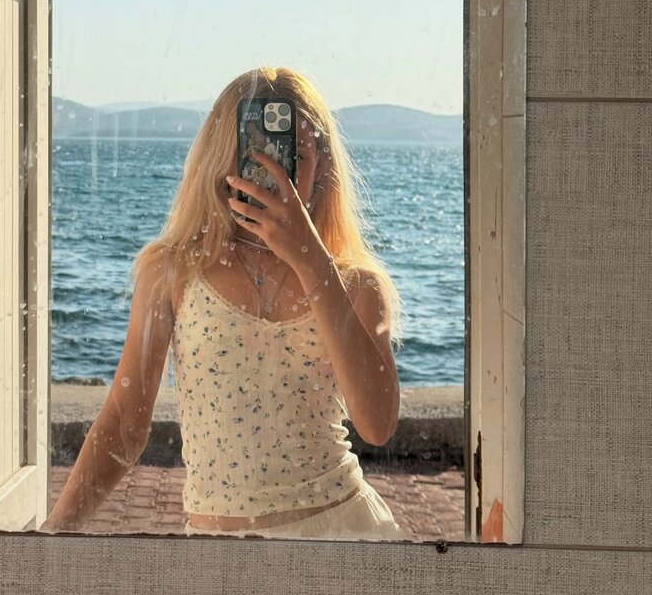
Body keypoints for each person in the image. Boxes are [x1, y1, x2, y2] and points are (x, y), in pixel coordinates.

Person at [41, 66, 406, 541]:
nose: (275, 169)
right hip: (216, 552)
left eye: (294, 154)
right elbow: (125, 421)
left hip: (343, 535)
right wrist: (54, 534)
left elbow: (377, 426)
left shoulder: (355, 284)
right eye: (257, 150)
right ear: (224, 156)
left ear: (321, 165)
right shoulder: (173, 271)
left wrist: (312, 262)